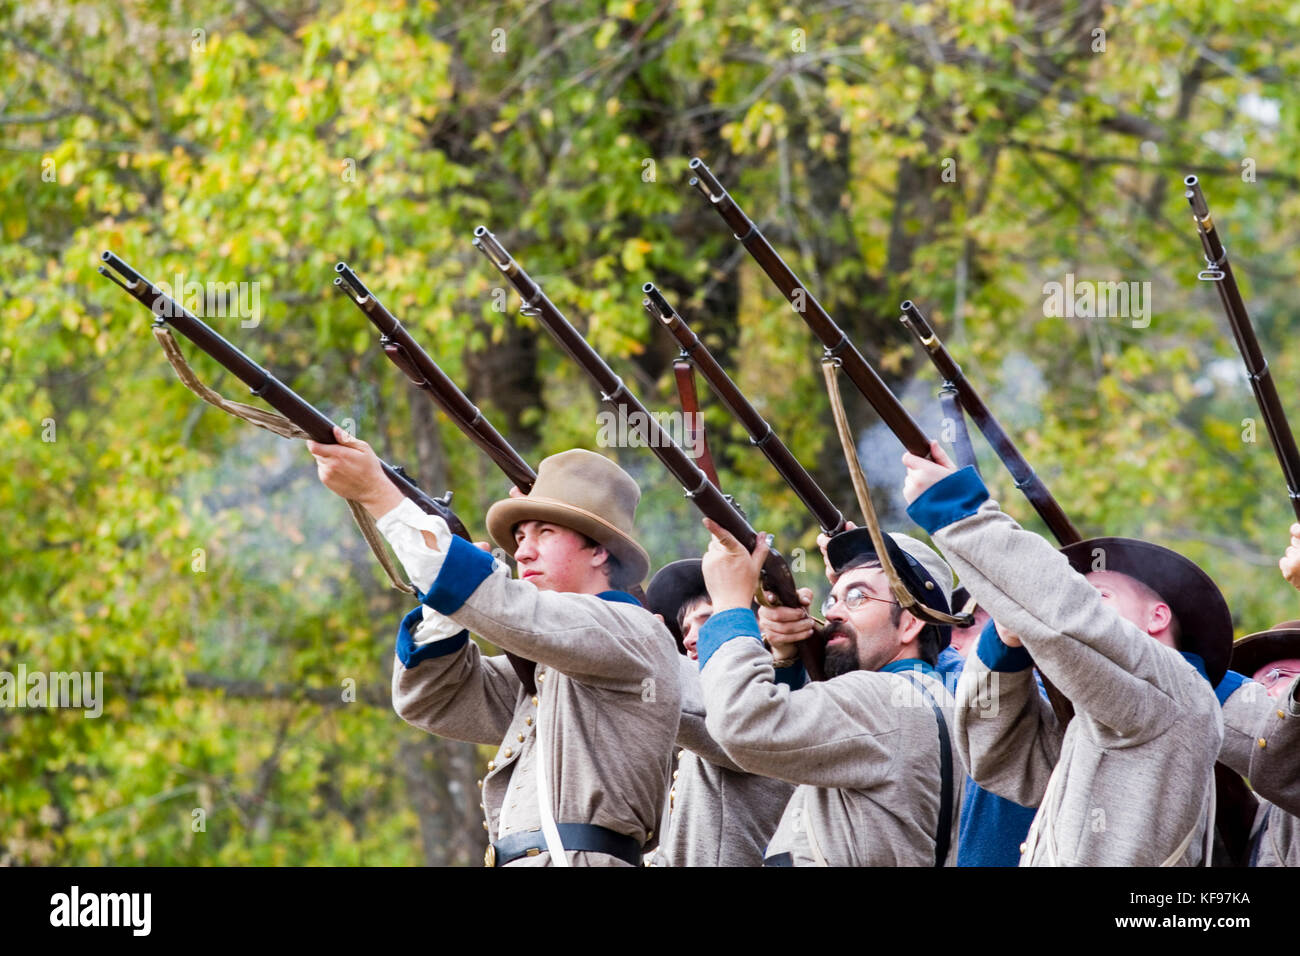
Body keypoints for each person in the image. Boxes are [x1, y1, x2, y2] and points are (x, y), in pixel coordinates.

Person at [307, 431, 680, 866]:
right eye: (520, 537)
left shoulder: (634, 631)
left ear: (599, 551)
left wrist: (380, 495)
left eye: (544, 532)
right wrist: (447, 604)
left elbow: (511, 609)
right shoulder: (549, 672)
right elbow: (433, 699)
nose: (523, 552)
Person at [903, 442, 1228, 866]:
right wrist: (1006, 644)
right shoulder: (1094, 724)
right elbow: (998, 760)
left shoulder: (1179, 691)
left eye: (1100, 596)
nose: (1088, 605)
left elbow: (1069, 617)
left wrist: (956, 507)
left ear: (1157, 616)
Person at [698, 519, 963, 866]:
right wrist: (786, 658)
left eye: (857, 597)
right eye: (833, 598)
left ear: (911, 622)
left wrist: (730, 607)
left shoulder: (882, 697)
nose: (834, 611)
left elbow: (741, 721)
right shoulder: (920, 699)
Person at [644, 559, 794, 866]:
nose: (688, 639)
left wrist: (645, 643)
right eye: (685, 630)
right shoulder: (698, 721)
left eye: (708, 620)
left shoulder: (765, 704)